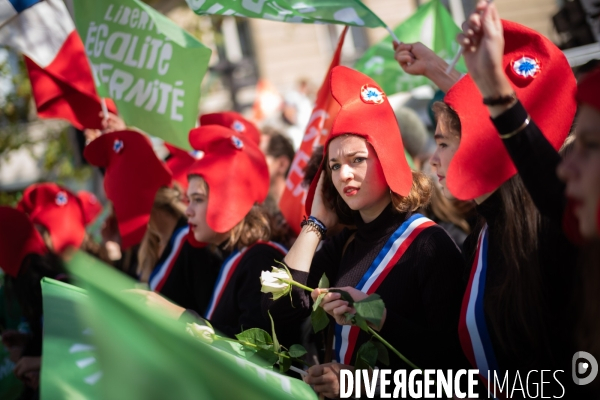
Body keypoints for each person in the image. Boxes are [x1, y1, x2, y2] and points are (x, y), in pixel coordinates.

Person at [396, 17, 579, 396]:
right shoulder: (481, 236)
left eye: (444, 144)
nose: (433, 160)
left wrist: (491, 88)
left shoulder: (551, 232)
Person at [267, 66, 467, 398]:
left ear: (387, 157)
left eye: (357, 160)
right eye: (333, 166)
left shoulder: (430, 245)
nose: (344, 174)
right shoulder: (343, 245)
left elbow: (455, 371)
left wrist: (359, 380)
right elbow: (277, 312)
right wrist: (315, 224)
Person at [84, 130, 222, 316]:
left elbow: (211, 321)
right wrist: (114, 255)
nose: (115, 210)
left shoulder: (192, 241)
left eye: (118, 199)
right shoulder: (151, 243)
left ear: (141, 195)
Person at [183, 123, 288, 338]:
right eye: (188, 200)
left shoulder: (261, 260)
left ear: (227, 202)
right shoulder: (223, 255)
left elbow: (258, 352)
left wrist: (180, 317)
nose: (188, 211)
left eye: (198, 200)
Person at [0, 207, 66, 397]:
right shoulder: (35, 288)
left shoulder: (59, 285)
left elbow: (81, 348)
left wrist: (35, 361)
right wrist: (27, 342)